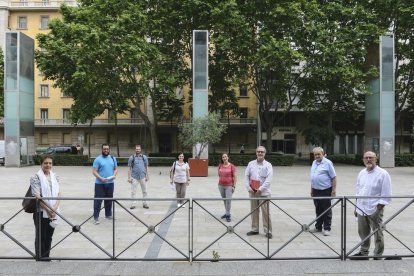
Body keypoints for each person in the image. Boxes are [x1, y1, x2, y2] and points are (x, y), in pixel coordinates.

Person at [350, 151, 392, 260]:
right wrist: (356, 206)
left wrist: (379, 208)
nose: (368, 160)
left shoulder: (383, 173)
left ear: (376, 159)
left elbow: (386, 193)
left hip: (375, 208)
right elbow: (358, 191)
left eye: (371, 158)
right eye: (366, 158)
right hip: (361, 208)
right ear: (363, 160)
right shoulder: (361, 173)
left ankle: (378, 254)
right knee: (363, 232)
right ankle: (364, 253)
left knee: (377, 233)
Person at [30, 154, 61, 260]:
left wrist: (55, 208)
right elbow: (37, 196)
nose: (48, 165)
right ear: (41, 164)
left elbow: (59, 193)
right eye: (46, 163)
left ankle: (46, 257)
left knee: (49, 236)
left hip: (53, 212)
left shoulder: (55, 176)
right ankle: (40, 258)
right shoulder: (35, 177)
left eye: (50, 163)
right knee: (41, 236)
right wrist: (48, 209)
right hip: (40, 211)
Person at [244, 146, 273, 239]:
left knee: (266, 212)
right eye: (258, 152)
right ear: (256, 153)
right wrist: (249, 188)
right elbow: (246, 177)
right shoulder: (250, 164)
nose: (260, 153)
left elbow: (268, 180)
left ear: (265, 153)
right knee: (254, 211)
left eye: (262, 152)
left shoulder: (268, 165)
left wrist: (260, 189)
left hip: (264, 193)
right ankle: (254, 229)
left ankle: (268, 230)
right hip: (252, 192)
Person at [310, 147, 337, 236]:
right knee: (318, 209)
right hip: (316, 190)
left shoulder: (328, 163)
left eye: (319, 154)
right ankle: (318, 227)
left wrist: (333, 190)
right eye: (315, 154)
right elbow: (313, 177)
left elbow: (333, 177)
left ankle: (327, 228)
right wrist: (311, 189)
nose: (317, 156)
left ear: (323, 154)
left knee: (326, 210)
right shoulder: (314, 162)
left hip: (326, 190)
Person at [92, 144, 118, 225]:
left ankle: (108, 215)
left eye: (107, 149)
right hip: (99, 184)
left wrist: (114, 175)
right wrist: (101, 178)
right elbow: (94, 171)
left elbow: (116, 169)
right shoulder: (98, 159)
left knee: (109, 199)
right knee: (98, 201)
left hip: (110, 183)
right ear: (102, 149)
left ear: (109, 149)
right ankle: (96, 217)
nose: (106, 150)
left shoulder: (113, 158)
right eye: (104, 149)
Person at [127, 144, 149, 209]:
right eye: (136, 149)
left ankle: (145, 203)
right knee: (133, 191)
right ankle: (133, 204)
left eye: (139, 149)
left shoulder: (144, 157)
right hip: (134, 177)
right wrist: (129, 178)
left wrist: (147, 176)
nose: (138, 150)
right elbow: (129, 168)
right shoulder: (132, 157)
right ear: (135, 150)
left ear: (140, 149)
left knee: (145, 191)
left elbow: (146, 167)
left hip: (143, 176)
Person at [218, 153, 237, 222]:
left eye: (225, 157)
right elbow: (219, 175)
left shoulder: (232, 166)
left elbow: (235, 177)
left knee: (228, 201)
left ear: (228, 157)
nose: (224, 158)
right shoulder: (220, 165)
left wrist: (234, 186)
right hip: (220, 185)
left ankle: (228, 215)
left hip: (229, 186)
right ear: (222, 158)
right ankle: (227, 213)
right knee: (224, 200)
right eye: (223, 157)